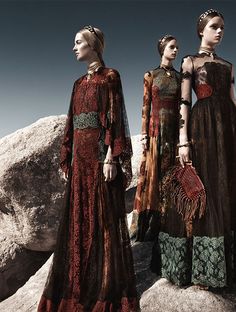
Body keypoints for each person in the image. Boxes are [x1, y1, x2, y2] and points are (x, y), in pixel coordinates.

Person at [37, 25, 139, 311]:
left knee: (102, 220)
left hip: (98, 158)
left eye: (78, 42)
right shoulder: (77, 83)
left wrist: (110, 157)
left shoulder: (110, 77)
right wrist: (65, 155)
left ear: (93, 45)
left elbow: (114, 117)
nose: (73, 47)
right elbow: (71, 121)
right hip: (79, 163)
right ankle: (79, 282)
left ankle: (104, 285)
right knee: (79, 222)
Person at [176, 9, 236, 289]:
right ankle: (206, 270)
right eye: (214, 26)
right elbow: (184, 102)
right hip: (203, 127)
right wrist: (183, 140)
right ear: (202, 30)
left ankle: (229, 266)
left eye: (222, 27)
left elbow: (233, 101)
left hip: (228, 127)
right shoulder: (190, 61)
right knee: (208, 188)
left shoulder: (228, 65)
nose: (220, 31)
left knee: (228, 187)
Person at [133, 35, 180, 241]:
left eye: (177, 47)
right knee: (152, 176)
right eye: (172, 47)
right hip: (155, 133)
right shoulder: (151, 75)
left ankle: (168, 221)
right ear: (162, 49)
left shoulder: (180, 77)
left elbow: (181, 107)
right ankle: (148, 224)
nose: (176, 50)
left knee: (171, 176)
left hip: (174, 133)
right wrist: (143, 133)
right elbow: (145, 106)